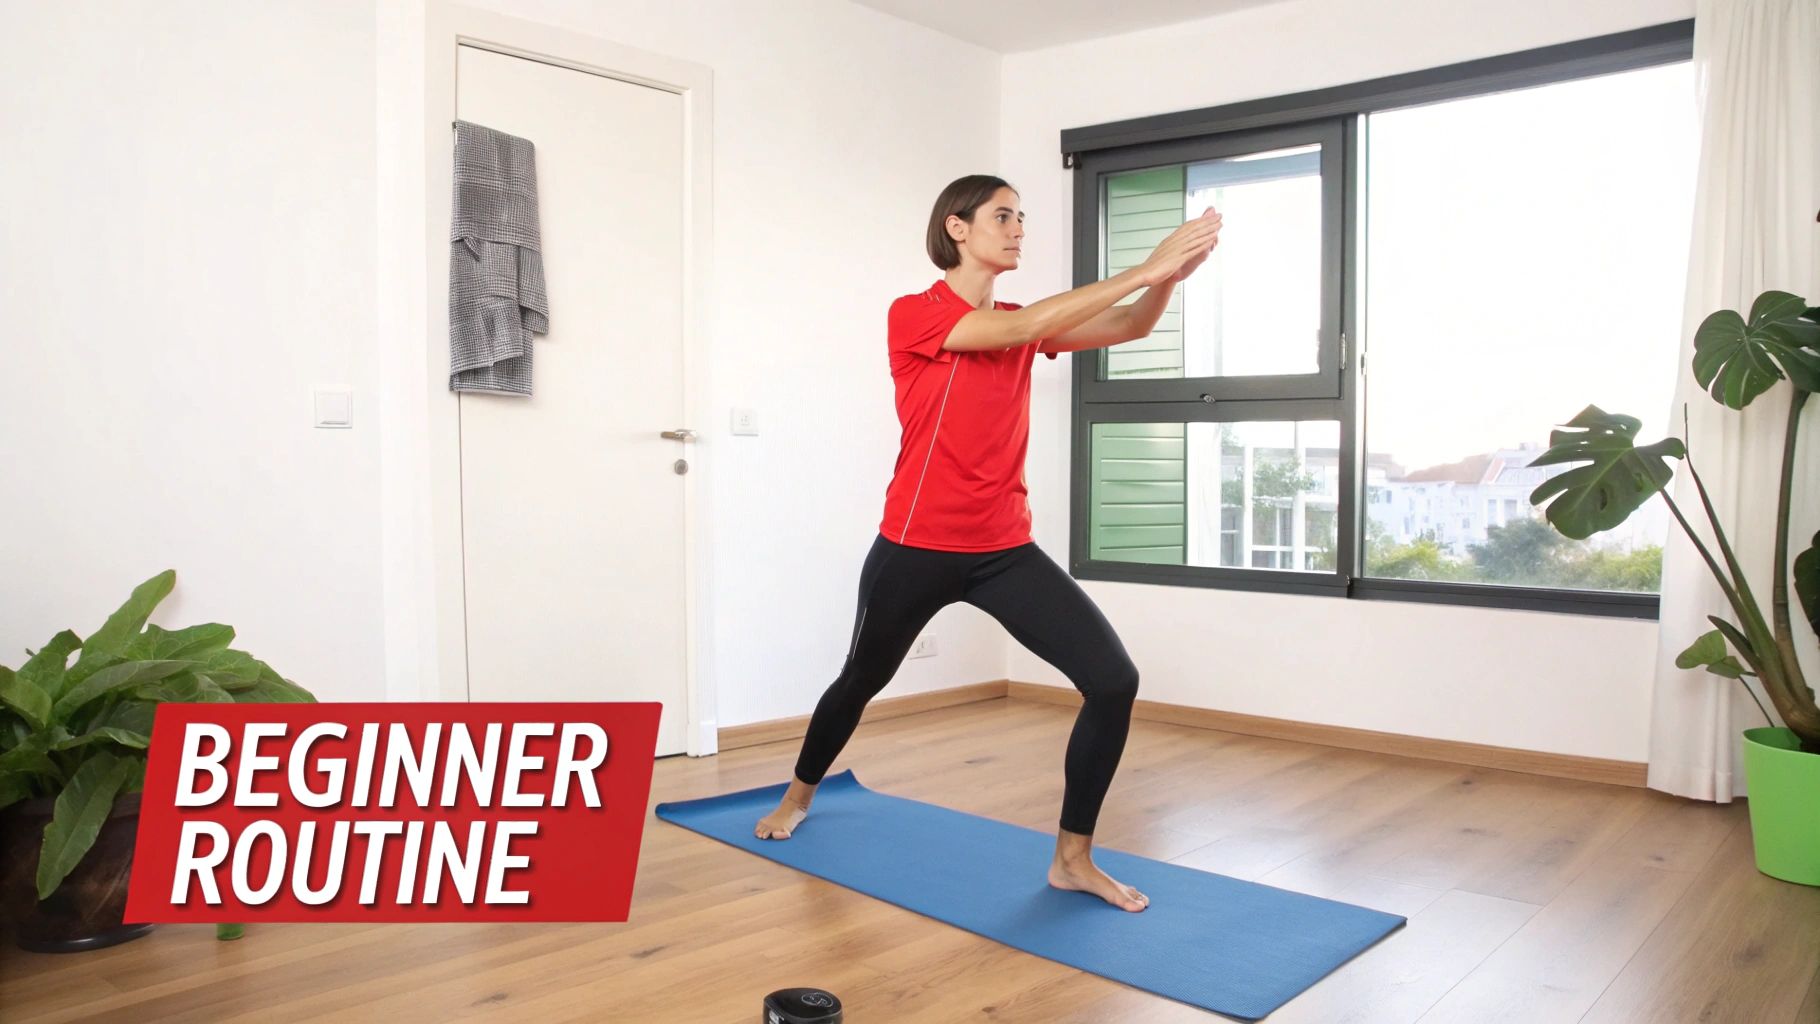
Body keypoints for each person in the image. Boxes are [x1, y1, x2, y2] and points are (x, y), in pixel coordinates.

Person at [753, 174, 1222, 912]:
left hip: (1003, 549)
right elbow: (1015, 331)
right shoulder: (916, 314)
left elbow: (1129, 326)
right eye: (1003, 216)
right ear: (958, 227)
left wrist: (1169, 278)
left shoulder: (1021, 320)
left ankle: (1072, 859)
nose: (1018, 229)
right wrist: (1145, 265)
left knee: (1112, 681)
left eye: (1021, 218)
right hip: (916, 545)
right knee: (861, 679)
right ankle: (798, 795)